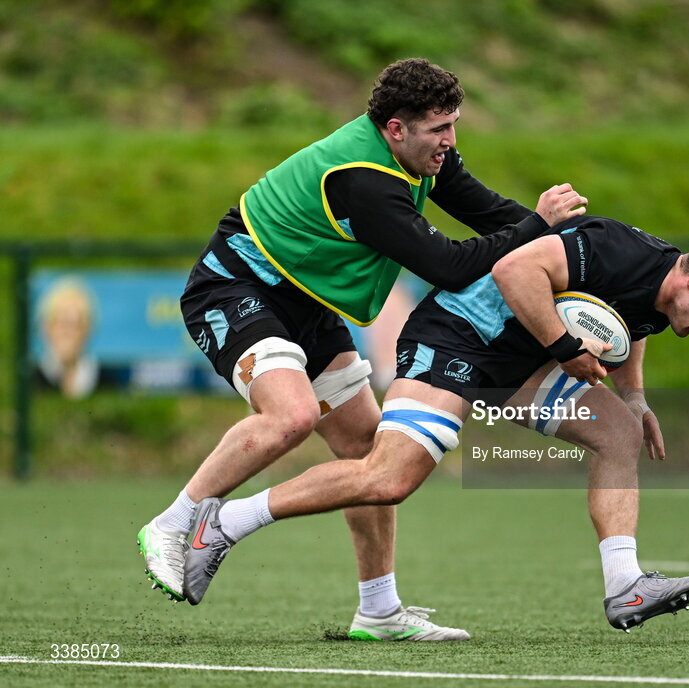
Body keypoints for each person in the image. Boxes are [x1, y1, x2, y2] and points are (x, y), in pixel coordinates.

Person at [136, 57, 588, 642]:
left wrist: (577, 243)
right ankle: (173, 525)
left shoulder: (422, 155)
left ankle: (378, 610)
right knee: (291, 415)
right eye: (439, 129)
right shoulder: (366, 182)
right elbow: (448, 266)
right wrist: (535, 229)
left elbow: (489, 213)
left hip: (305, 302)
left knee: (365, 453)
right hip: (236, 289)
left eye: (454, 126)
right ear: (395, 129)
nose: (450, 142)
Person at [177, 216, 689, 633]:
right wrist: (562, 347)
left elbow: (629, 329)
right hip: (457, 338)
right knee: (389, 478)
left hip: (516, 362)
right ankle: (223, 522)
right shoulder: (621, 252)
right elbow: (514, 269)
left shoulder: (663, 298)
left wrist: (634, 402)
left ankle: (624, 585)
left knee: (617, 434)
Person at [36, 278, 100, 399]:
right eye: (61, 323)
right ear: (46, 328)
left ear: (88, 330)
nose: (67, 332)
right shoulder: (29, 381)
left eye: (76, 324)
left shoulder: (108, 382)